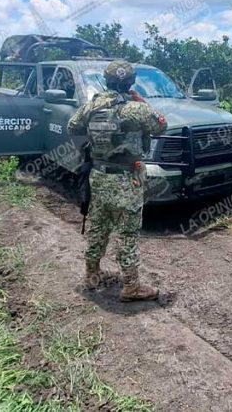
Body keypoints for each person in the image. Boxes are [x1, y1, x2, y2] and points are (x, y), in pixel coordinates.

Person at [68, 60, 168, 302]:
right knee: (128, 233)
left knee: (98, 227)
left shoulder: (92, 106)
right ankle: (132, 287)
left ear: (106, 80)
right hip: (127, 180)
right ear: (131, 82)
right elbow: (161, 126)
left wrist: (92, 147)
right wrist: (140, 100)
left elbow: (73, 127)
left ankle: (92, 275)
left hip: (99, 176)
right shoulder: (136, 109)